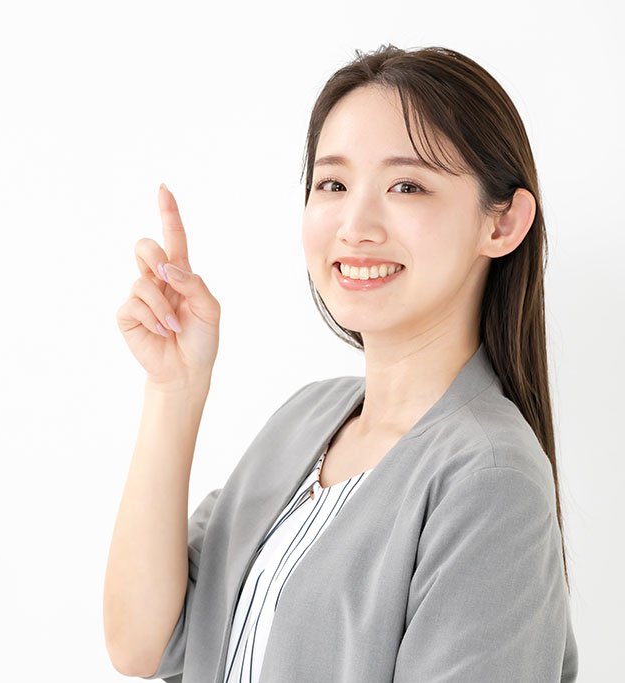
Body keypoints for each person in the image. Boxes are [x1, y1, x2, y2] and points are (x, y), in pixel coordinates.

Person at [104, 44, 578, 683]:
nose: (356, 225)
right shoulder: (306, 418)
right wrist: (174, 389)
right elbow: (142, 645)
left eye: (407, 185)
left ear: (503, 224)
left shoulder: (490, 479)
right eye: (333, 184)